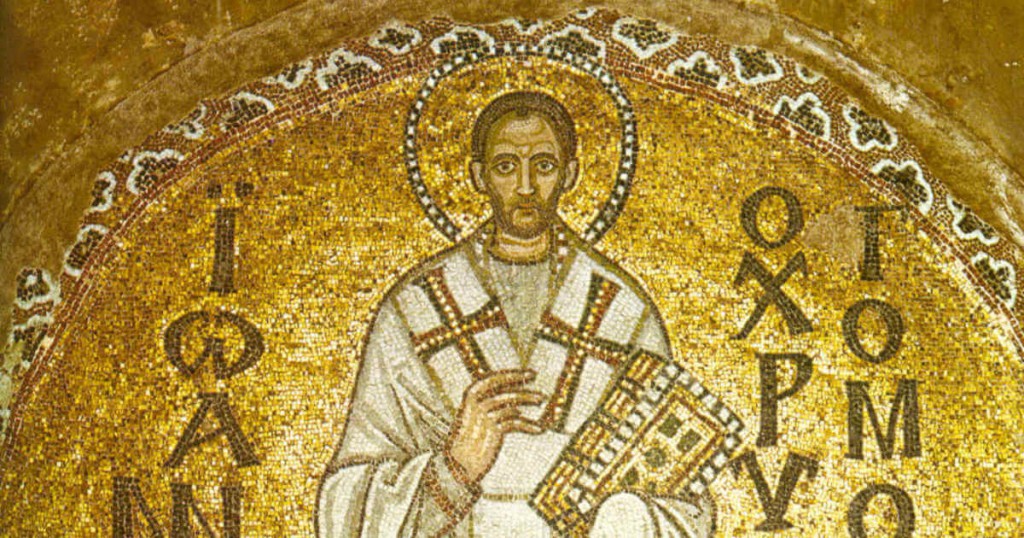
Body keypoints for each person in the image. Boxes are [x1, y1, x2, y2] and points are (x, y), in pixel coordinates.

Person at [317, 92, 715, 537]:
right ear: (479, 176)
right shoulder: (414, 309)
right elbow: (344, 499)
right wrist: (453, 468)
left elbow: (679, 491)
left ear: (569, 174)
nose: (526, 187)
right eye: (506, 166)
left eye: (543, 165)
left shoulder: (624, 311)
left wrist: (620, 517)